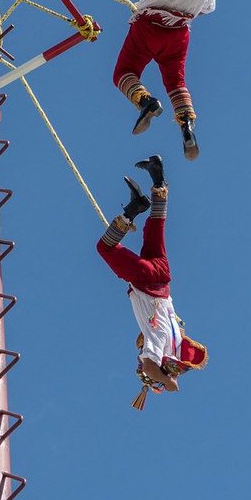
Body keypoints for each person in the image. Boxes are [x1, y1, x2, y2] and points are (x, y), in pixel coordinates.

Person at [75, 0, 217, 160]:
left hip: (148, 27)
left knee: (124, 73)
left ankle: (146, 102)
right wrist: (182, 8)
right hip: (178, 35)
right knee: (176, 82)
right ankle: (186, 125)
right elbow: (206, 10)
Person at [95, 155, 207, 410]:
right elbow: (149, 365)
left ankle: (158, 178)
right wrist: (167, 382)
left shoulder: (176, 335)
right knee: (105, 248)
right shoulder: (159, 343)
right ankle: (133, 208)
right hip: (146, 281)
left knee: (155, 229)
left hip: (163, 278)